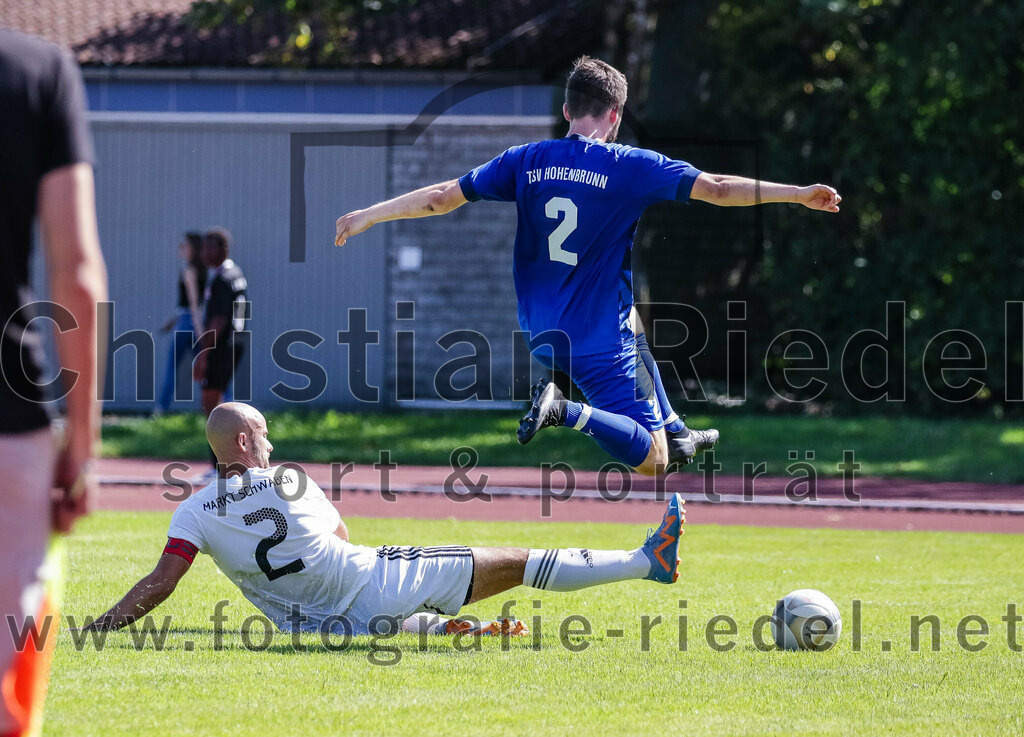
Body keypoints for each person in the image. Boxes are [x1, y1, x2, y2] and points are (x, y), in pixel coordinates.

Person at [334, 56, 842, 477]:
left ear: (566, 110)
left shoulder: (526, 159)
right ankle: (567, 411)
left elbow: (442, 198)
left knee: (632, 314)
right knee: (654, 460)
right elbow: (718, 188)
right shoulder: (629, 165)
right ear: (616, 114)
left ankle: (675, 424)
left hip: (540, 330)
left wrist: (368, 216)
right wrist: (796, 194)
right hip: (596, 340)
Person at [82, 403, 685, 637]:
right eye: (263, 433)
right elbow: (342, 540)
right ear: (244, 441)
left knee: (379, 615)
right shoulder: (290, 479)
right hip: (367, 582)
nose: (271, 439)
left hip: (314, 629)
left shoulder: (193, 509)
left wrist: (106, 624)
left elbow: (161, 582)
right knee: (520, 562)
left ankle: (455, 631)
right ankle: (644, 562)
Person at [0, 29, 108, 737]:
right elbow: (76, 272)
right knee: (10, 686)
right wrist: (83, 440)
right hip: (7, 419)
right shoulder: (37, 71)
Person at [193, 228, 247, 469]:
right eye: (203, 247)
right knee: (221, 406)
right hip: (235, 344)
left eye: (209, 247)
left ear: (224, 249)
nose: (204, 252)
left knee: (212, 408)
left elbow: (218, 321)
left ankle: (221, 467)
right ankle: (226, 465)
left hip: (221, 346)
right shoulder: (235, 274)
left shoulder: (222, 279)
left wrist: (203, 355)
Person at [155, 232, 205, 414]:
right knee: (205, 367)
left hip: (189, 323)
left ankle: (161, 409)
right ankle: (218, 406)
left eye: (184, 245)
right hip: (190, 321)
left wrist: (199, 331)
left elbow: (193, 303)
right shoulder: (203, 270)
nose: (180, 248)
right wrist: (173, 320)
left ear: (192, 248)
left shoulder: (189, 271)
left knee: (172, 367)